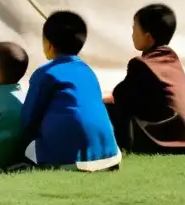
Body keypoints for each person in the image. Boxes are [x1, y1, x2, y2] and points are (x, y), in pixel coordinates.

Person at [20, 11, 121, 172]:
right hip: (110, 154)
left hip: (68, 156)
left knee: (25, 146)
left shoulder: (45, 73)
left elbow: (27, 119)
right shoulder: (88, 71)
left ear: (48, 44)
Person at [105, 4, 185, 155]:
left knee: (108, 110)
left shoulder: (141, 64)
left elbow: (122, 97)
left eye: (134, 30)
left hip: (160, 138)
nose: (132, 34)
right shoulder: (173, 59)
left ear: (148, 37)